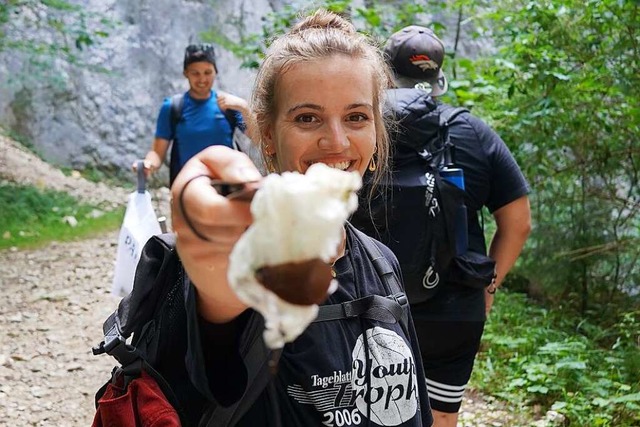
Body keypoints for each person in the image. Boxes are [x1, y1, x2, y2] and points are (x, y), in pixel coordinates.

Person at [169, 10, 433, 427]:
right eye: (307, 118)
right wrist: (215, 264)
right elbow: (218, 324)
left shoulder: (382, 264)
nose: (337, 140)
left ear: (378, 133)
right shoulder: (248, 256)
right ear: (267, 135)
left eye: (357, 117)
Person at [355, 26, 531, 427]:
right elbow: (518, 223)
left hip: (369, 301)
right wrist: (488, 285)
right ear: (439, 77)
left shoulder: (361, 131)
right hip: (455, 306)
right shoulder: (474, 132)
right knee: (440, 417)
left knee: (364, 412)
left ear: (382, 74)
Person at [136, 43, 257, 185]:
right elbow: (157, 152)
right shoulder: (173, 107)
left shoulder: (228, 105)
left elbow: (258, 138)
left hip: (226, 187)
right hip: (186, 189)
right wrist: (148, 164)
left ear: (215, 72)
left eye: (207, 72)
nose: (202, 79)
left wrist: (244, 107)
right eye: (195, 73)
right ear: (185, 73)